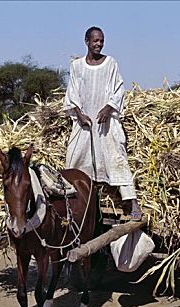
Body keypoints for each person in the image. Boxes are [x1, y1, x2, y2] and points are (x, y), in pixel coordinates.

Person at [63, 26, 142, 221]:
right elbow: (72, 93)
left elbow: (118, 89)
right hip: (85, 125)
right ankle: (68, 201)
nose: (99, 44)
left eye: (101, 40)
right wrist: (79, 114)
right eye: (95, 41)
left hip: (106, 125)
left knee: (116, 158)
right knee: (75, 160)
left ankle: (132, 202)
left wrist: (108, 108)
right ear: (87, 42)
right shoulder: (77, 66)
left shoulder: (110, 64)